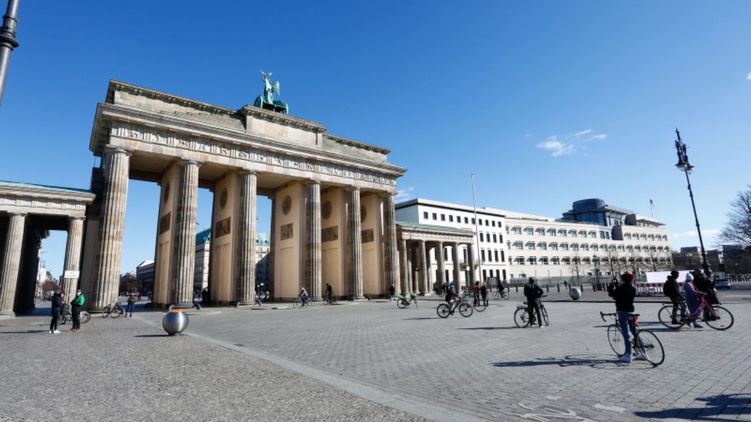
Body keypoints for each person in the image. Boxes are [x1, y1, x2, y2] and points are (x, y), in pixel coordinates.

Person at [608, 273, 636, 363]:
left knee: (626, 334)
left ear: (623, 280)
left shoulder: (620, 289)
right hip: (631, 311)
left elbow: (612, 294)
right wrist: (617, 285)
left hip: (622, 312)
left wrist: (612, 284)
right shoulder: (632, 288)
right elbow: (620, 294)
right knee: (634, 332)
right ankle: (642, 351)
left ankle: (628, 355)